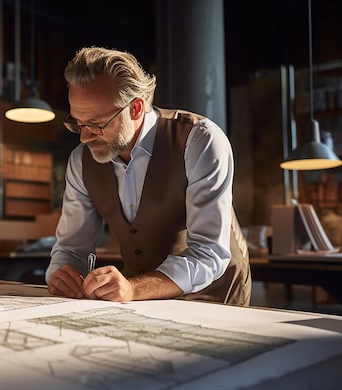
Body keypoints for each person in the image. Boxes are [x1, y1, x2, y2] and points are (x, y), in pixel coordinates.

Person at [45, 46, 251, 306]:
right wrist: (61, 275)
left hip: (214, 297)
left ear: (136, 109)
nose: (84, 137)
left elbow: (209, 251)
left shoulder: (200, 140)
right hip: (140, 301)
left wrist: (133, 289)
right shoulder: (80, 161)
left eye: (97, 124)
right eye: (78, 123)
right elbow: (71, 249)